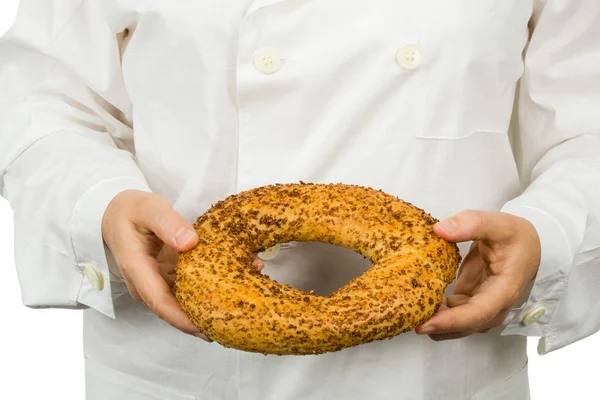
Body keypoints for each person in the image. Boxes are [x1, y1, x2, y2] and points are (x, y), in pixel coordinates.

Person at [1, 0, 599, 399]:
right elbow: (36, 101)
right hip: (181, 367)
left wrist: (548, 228)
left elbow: (588, 125)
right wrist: (99, 202)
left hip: (433, 373)